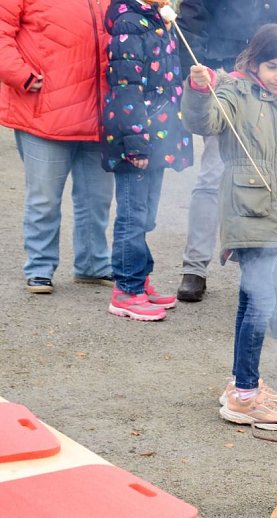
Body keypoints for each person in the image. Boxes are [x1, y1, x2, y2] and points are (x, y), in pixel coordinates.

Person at [182, 23, 277, 427]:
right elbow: (204, 122)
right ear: (255, 61)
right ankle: (245, 394)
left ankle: (243, 383)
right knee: (261, 300)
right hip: (245, 207)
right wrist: (198, 90)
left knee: (253, 297)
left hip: (275, 209)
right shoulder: (233, 90)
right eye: (273, 67)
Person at [174, 0, 277, 303]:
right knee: (213, 178)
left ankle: (268, 270)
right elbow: (193, 14)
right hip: (227, 79)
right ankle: (195, 267)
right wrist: (196, 70)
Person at [0, 0, 115, 294]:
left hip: (99, 113)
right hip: (44, 111)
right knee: (44, 199)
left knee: (97, 199)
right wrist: (19, 74)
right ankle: (39, 268)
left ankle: (93, 265)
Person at [101, 0, 193, 321]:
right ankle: (126, 290)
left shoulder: (156, 19)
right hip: (135, 138)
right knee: (132, 215)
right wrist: (136, 142)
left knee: (146, 214)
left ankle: (139, 278)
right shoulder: (129, 23)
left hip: (156, 136)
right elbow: (125, 86)